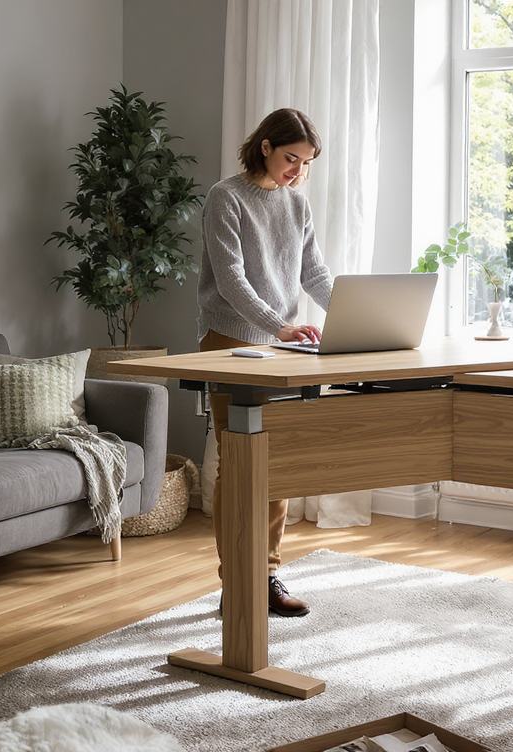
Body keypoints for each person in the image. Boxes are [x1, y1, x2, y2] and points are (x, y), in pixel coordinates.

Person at [198, 108, 333, 617]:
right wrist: (277, 324)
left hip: (282, 348)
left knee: (274, 465)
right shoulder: (224, 197)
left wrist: (353, 314)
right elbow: (231, 279)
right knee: (238, 465)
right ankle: (237, 580)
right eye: (290, 158)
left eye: (305, 163)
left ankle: (267, 574)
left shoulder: (296, 205)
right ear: (265, 147)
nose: (296, 171)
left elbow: (314, 272)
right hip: (231, 343)